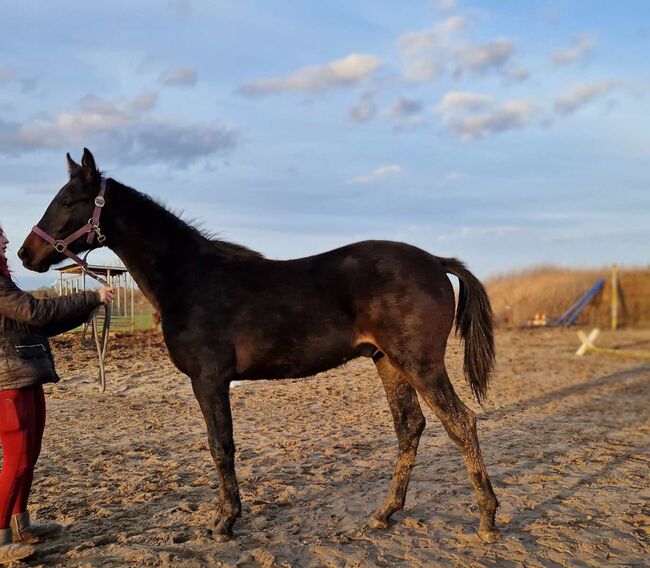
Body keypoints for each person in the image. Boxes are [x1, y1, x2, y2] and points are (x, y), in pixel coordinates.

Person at [0, 226, 114, 564]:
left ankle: (21, 526)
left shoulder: (5, 282)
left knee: (29, 457)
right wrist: (89, 297)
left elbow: (40, 324)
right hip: (7, 383)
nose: (6, 241)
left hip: (25, 376)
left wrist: (86, 308)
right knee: (17, 461)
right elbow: (34, 311)